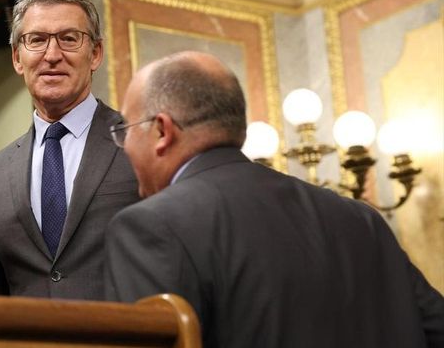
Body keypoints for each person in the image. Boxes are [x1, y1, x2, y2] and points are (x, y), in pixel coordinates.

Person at [104, 51, 444, 347]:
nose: (125, 147)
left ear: (162, 130)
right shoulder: (361, 218)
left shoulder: (151, 227)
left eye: (126, 131)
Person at [0, 0, 139, 300]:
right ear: (18, 58)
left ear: (96, 54)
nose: (52, 55)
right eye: (37, 40)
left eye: (69, 39)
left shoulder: (142, 143)